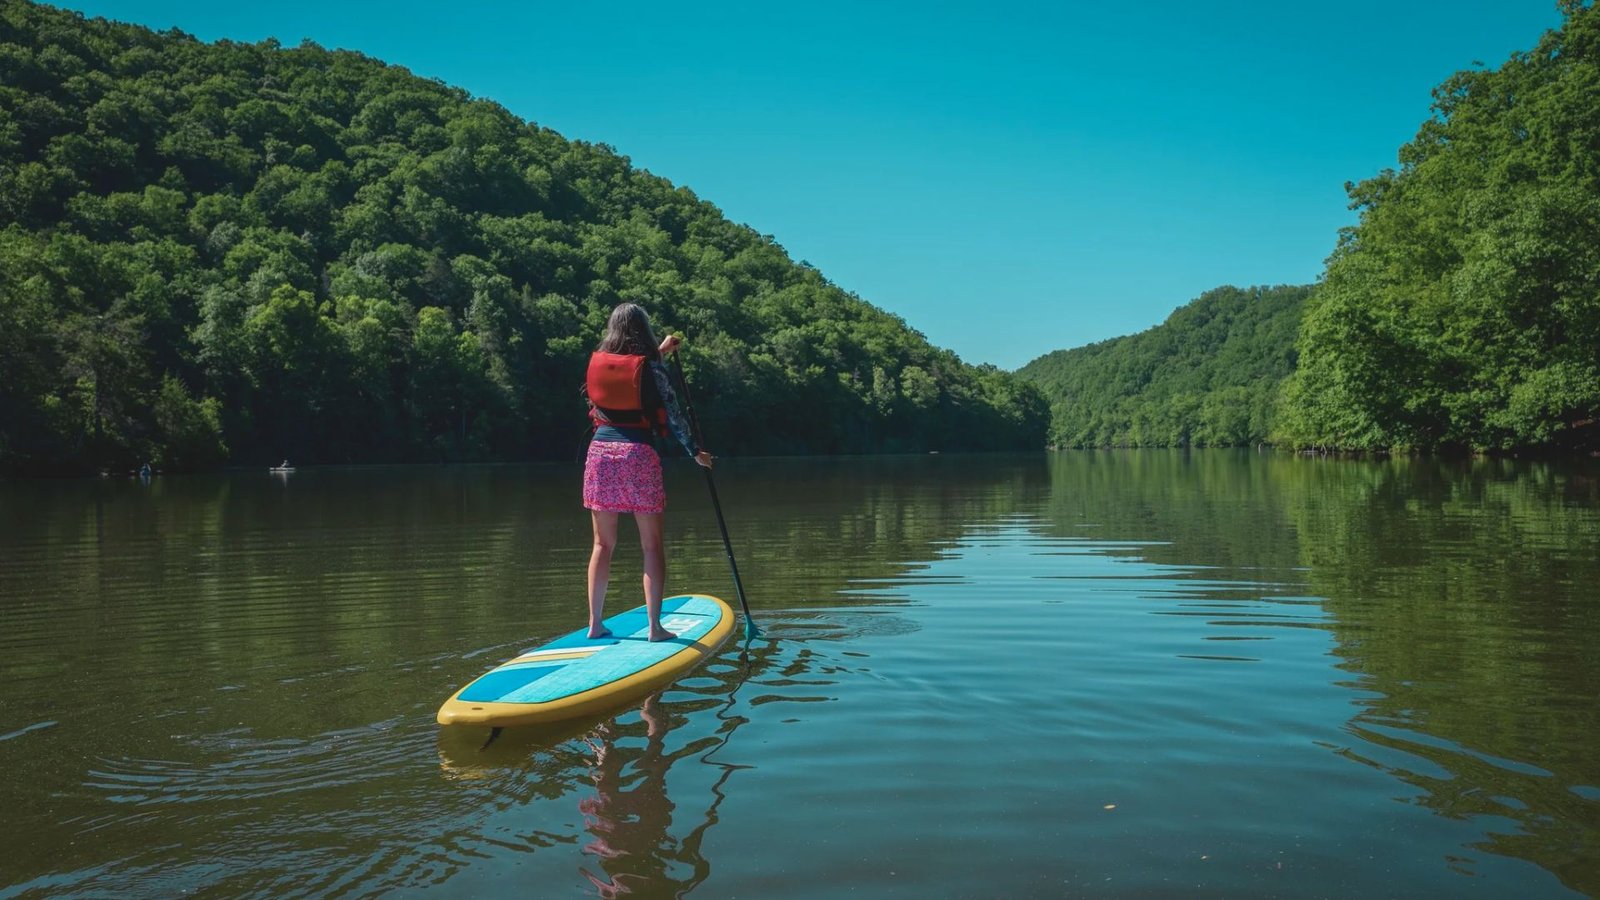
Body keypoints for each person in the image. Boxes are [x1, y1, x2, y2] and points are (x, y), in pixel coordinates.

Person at [583, 303, 713, 642]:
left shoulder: (597, 361)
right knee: (652, 546)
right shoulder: (652, 370)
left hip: (599, 454)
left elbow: (629, 376)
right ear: (644, 330)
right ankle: (655, 628)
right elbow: (670, 411)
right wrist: (694, 450)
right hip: (637, 455)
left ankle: (595, 624)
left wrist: (661, 353)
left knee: (602, 544)